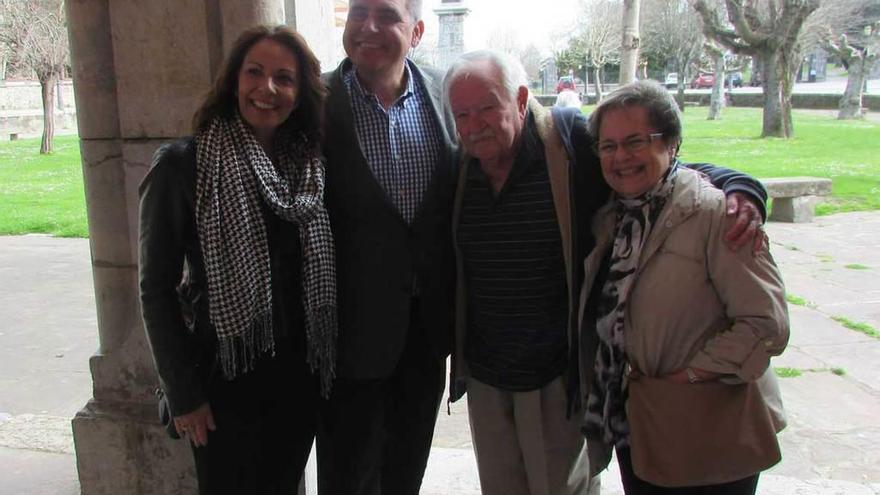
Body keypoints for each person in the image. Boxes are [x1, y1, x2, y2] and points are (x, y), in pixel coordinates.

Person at [442, 51, 769, 495]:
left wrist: (741, 186)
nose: (473, 123)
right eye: (461, 113)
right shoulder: (458, 168)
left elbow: (651, 166)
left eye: (487, 107)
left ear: (520, 100)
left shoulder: (568, 143)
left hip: (556, 375)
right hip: (486, 376)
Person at [138, 25, 336, 495]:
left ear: (301, 91)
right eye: (255, 73)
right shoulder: (183, 166)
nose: (268, 89)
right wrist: (184, 393)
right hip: (222, 382)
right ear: (233, 80)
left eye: (284, 78)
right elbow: (154, 290)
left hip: (298, 378)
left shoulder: (309, 166)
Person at [578, 80, 789, 494]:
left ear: (672, 143)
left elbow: (766, 325)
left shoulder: (717, 214)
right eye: (608, 146)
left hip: (709, 426)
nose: (620, 157)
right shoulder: (611, 219)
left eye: (635, 141)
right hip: (639, 422)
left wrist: (691, 376)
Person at [316, 0, 458, 494]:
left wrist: (712, 181)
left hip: (425, 336)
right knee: (346, 476)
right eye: (358, 13)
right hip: (346, 339)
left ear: (417, 31)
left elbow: (526, 134)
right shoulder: (315, 101)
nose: (368, 27)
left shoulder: (449, 95)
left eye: (386, 16)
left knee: (405, 472)